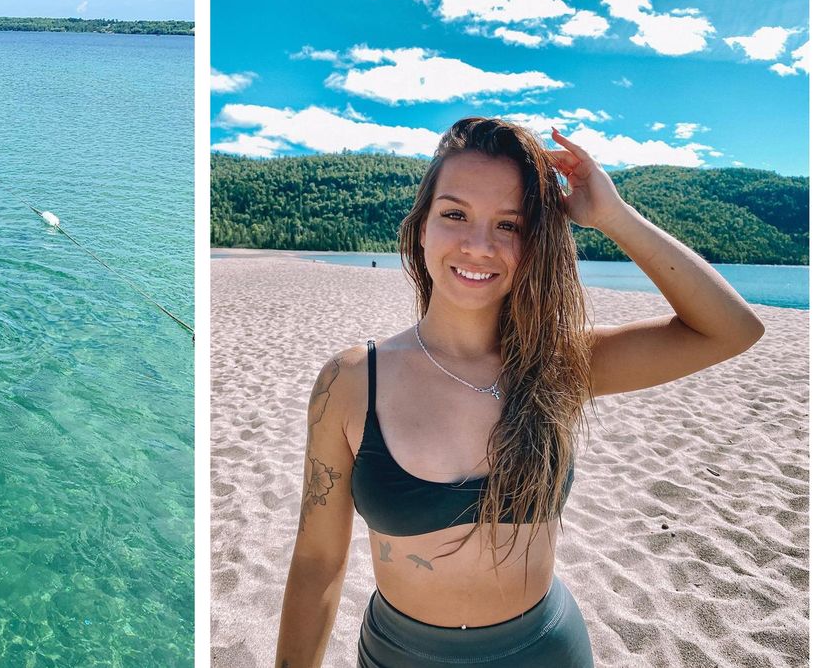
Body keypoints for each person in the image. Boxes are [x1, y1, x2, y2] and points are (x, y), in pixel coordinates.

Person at [274, 117, 764, 667]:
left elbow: (732, 329)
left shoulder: (561, 365)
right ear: (421, 228)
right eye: (455, 214)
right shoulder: (350, 381)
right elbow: (317, 559)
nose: (479, 246)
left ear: (534, 243)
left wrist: (612, 217)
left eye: (509, 224)